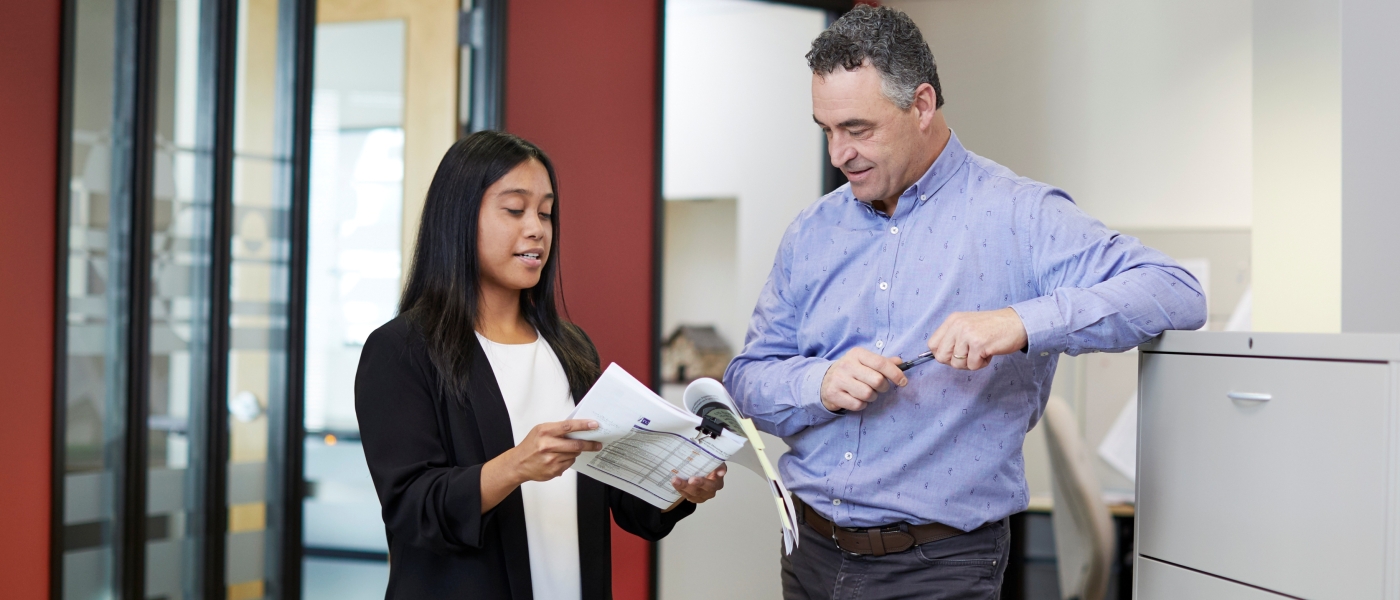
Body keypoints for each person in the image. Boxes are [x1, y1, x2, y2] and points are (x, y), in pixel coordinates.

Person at [724, 6, 1206, 599]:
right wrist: (818, 384)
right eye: (826, 130)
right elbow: (747, 378)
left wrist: (1021, 322)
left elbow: (1175, 291)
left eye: (858, 128)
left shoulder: (1020, 215)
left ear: (921, 105)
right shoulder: (810, 232)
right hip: (809, 553)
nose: (838, 154)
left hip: (941, 567)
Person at [356, 130, 726, 599]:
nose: (537, 228)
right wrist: (516, 466)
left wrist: (680, 487)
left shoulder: (571, 348)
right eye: (515, 210)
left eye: (546, 213)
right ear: (458, 218)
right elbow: (412, 510)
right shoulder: (402, 349)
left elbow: (626, 502)